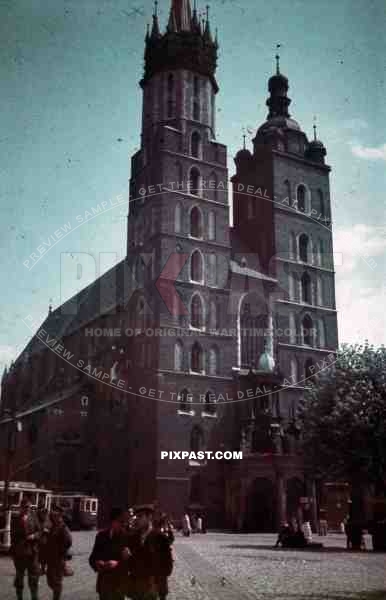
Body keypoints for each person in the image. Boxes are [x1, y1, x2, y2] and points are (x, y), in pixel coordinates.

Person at [127, 504, 173, 600]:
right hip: (137, 584)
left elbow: (168, 564)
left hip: (152, 585)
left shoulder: (160, 537)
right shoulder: (133, 537)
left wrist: (158, 583)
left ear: (149, 517)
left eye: (140, 516)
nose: (137, 519)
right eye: (137, 517)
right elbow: (130, 561)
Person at [89, 507, 131, 600]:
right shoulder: (101, 536)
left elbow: (131, 563)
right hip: (104, 584)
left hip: (119, 585)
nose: (123, 524)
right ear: (113, 521)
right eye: (120, 522)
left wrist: (117, 564)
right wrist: (97, 563)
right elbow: (92, 557)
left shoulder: (127, 537)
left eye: (124, 522)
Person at [10, 497, 41, 600]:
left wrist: (34, 536)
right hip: (20, 554)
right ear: (21, 507)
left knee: (33, 579)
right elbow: (13, 537)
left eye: (29, 507)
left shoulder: (34, 517)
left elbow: (39, 531)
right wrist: (14, 553)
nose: (28, 509)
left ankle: (34, 597)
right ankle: (19, 597)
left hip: (32, 553)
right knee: (19, 579)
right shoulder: (15, 519)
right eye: (25, 507)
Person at [44, 506, 72, 600]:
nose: (54, 516)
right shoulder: (53, 526)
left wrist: (61, 551)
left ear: (60, 516)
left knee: (57, 581)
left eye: (56, 515)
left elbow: (68, 541)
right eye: (53, 515)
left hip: (58, 559)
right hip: (51, 558)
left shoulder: (63, 527)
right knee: (50, 581)